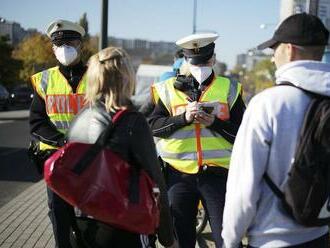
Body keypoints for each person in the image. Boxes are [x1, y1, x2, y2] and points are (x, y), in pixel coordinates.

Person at [221, 13, 330, 248]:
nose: (272, 59)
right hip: (320, 234)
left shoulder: (268, 104)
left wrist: (230, 240)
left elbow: (243, 190)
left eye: (274, 51)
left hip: (271, 239)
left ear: (289, 50)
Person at [68, 46, 177, 248]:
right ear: (126, 78)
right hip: (123, 225)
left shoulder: (80, 118)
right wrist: (167, 237)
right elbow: (156, 183)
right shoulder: (132, 121)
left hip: (83, 222)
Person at [148, 33, 246, 248]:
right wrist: (183, 118)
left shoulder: (230, 88)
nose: (200, 66)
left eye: (204, 61)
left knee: (228, 240)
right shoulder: (166, 90)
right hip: (178, 177)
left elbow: (243, 133)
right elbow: (152, 126)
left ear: (213, 59)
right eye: (195, 62)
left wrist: (215, 123)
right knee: (182, 241)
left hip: (218, 176)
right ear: (186, 61)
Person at [29, 19, 87, 248]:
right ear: (53, 48)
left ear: (81, 45)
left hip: (89, 159)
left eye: (70, 43)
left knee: (90, 215)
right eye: (59, 44)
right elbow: (37, 123)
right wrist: (62, 141)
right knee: (59, 215)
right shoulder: (43, 80)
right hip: (57, 160)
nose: (65, 49)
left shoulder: (97, 77)